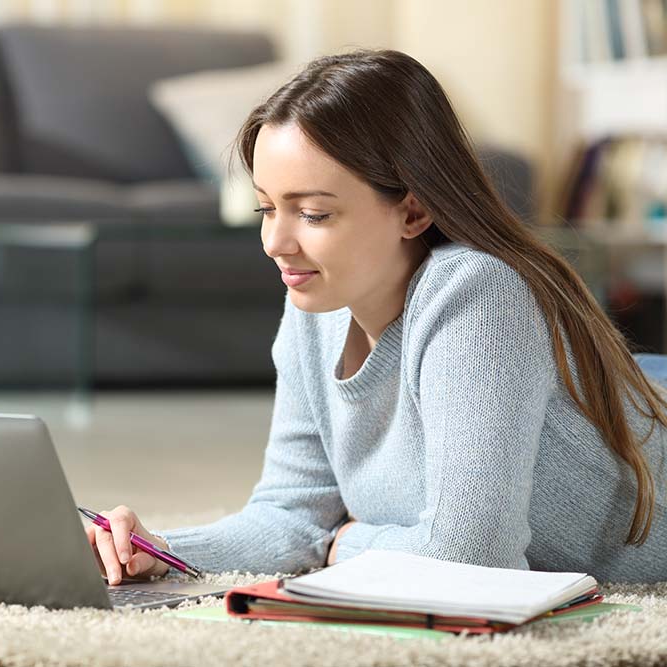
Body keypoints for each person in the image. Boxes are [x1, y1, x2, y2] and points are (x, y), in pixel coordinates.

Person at [86, 48, 667, 585]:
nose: (275, 242)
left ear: (412, 211)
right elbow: (291, 516)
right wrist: (159, 551)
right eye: (267, 208)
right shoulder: (315, 306)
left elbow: (473, 558)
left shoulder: (476, 293)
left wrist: (351, 543)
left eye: (313, 214)